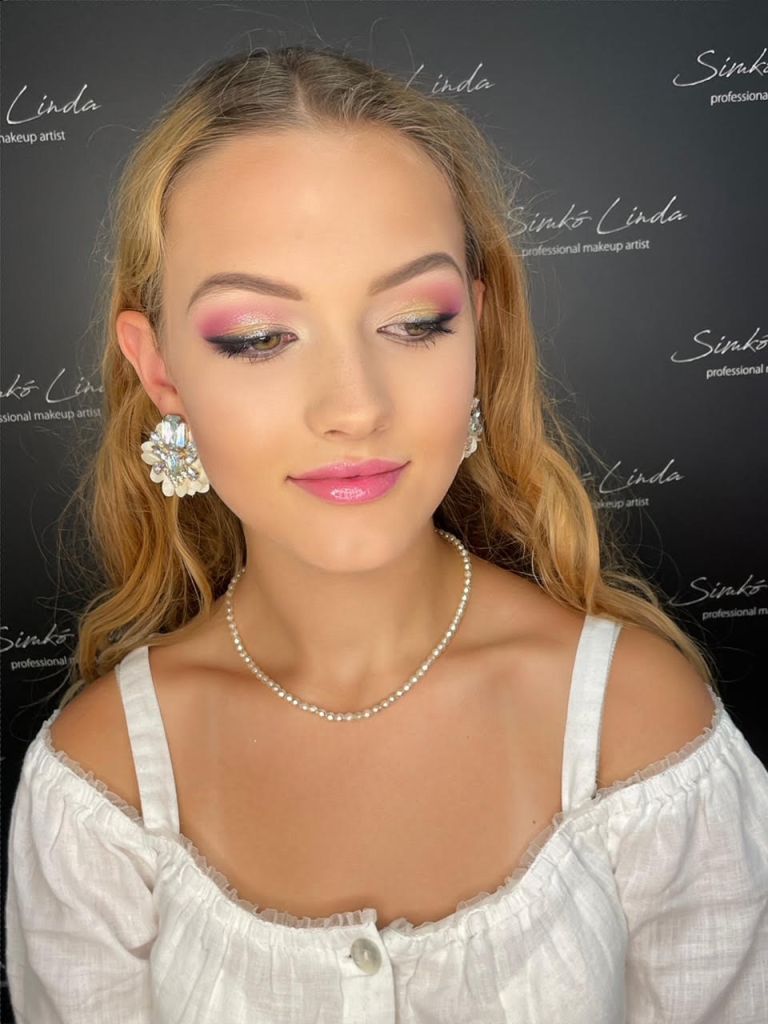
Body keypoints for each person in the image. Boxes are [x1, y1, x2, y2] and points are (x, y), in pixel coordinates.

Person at [4, 44, 767, 1024]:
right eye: (258, 337)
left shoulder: (643, 732)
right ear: (161, 372)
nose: (354, 406)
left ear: (477, 332)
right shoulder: (98, 791)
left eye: (413, 321)